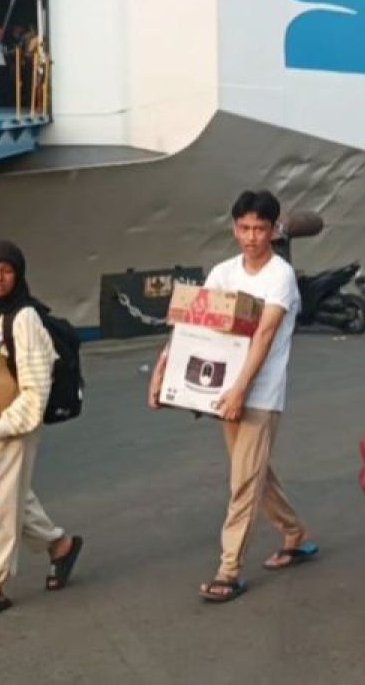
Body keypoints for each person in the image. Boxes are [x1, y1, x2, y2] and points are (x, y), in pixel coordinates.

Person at [148, 190, 317, 603]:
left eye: (261, 228)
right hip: (222, 389)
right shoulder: (223, 272)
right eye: (244, 228)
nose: (252, 237)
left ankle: (229, 570)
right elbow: (193, 326)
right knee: (254, 471)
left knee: (243, 480)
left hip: (260, 392)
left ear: (274, 230)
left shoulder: (280, 275)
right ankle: (294, 532)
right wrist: (162, 374)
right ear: (234, 228)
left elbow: (264, 334)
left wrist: (241, 389)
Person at [0, 240, 83, 621]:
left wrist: (0, 426)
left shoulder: (24, 318)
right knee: (10, 494)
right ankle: (60, 545)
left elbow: (36, 389)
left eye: (6, 270)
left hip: (11, 424)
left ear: (18, 275)